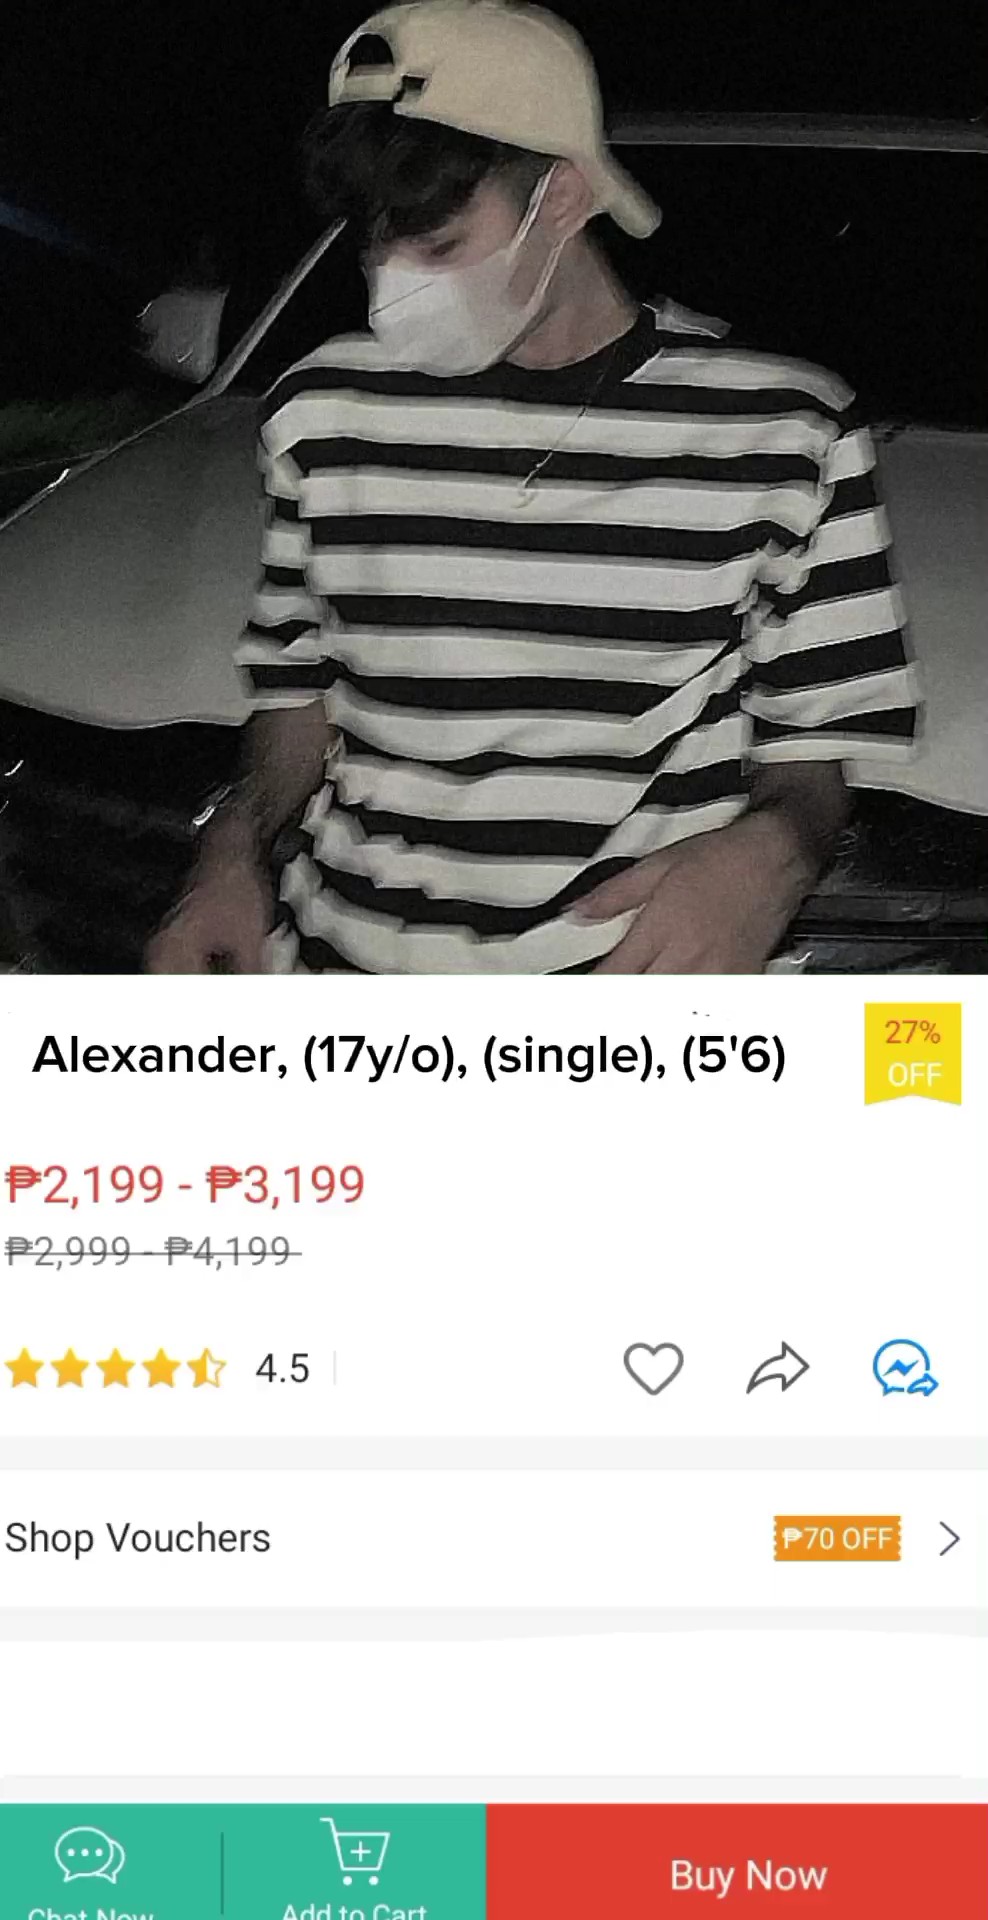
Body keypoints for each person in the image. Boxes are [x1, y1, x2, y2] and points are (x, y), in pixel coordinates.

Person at [147, 0, 917, 977]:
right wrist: (230, 849)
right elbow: (301, 692)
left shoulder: (785, 431)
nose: (390, 288)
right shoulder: (320, 408)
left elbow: (812, 751)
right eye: (371, 242)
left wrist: (773, 855)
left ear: (561, 199)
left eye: (437, 244)